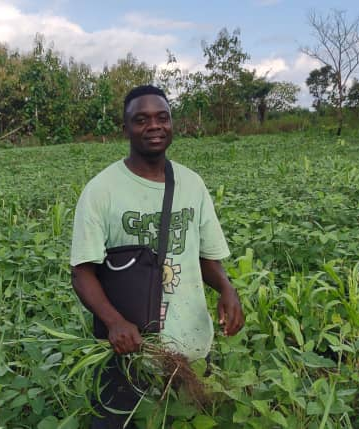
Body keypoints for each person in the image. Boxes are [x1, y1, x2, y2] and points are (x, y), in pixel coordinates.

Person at [69, 85, 245, 428]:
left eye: (162, 117)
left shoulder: (192, 184)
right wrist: (114, 322)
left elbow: (206, 257)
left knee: (189, 419)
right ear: (125, 128)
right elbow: (82, 272)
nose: (154, 126)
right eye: (141, 119)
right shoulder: (101, 191)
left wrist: (227, 288)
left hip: (190, 343)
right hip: (128, 348)